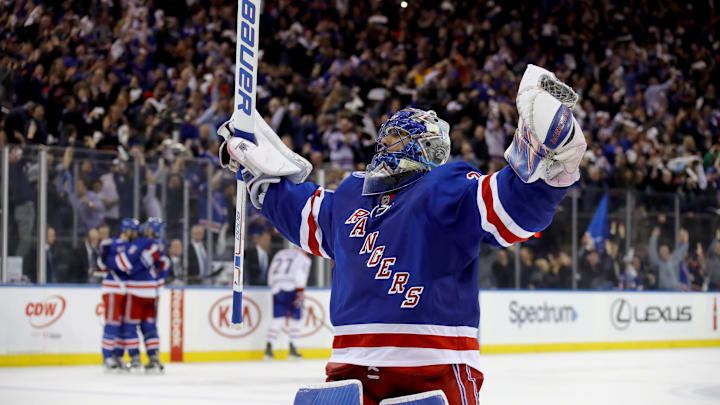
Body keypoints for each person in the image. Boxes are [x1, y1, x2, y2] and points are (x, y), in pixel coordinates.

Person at [218, 65, 585, 404]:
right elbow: (304, 216)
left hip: (392, 367)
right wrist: (263, 181)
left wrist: (549, 174)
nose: (389, 143)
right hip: (391, 366)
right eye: (389, 135)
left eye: (398, 136)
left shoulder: (399, 190)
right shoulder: (386, 190)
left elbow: (511, 211)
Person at [122, 217, 170, 373]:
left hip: (136, 289)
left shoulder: (144, 243)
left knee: (130, 325)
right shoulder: (160, 246)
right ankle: (154, 358)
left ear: (152, 230)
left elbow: (129, 266)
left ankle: (135, 359)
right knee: (149, 326)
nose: (145, 228)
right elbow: (162, 267)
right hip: (152, 292)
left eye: (149, 227)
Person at [97, 218, 138, 372]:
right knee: (112, 322)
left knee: (121, 324)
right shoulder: (110, 244)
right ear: (126, 230)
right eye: (133, 230)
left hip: (126, 289)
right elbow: (102, 265)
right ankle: (107, 356)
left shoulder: (133, 246)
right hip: (113, 288)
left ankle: (118, 355)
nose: (136, 233)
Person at [264, 246, 312, 360]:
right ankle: (293, 347)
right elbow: (301, 275)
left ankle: (269, 348)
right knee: (296, 319)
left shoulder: (280, 252)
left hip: (277, 288)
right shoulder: (304, 257)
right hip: (293, 288)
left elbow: (271, 271)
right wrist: (300, 293)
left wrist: (273, 286)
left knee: (278, 318)